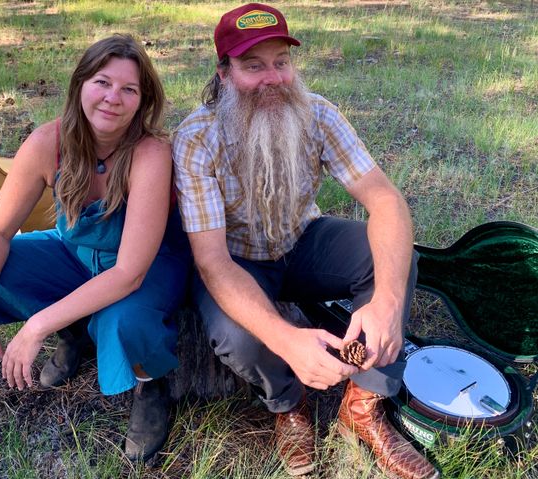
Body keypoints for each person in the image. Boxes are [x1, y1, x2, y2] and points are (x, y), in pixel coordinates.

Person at [172, 4, 439, 479]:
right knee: (238, 337)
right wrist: (287, 341)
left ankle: (363, 407)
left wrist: (387, 301)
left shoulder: (317, 113)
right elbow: (212, 262)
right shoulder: (197, 138)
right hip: (237, 260)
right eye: (253, 66)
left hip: (302, 240)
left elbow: (385, 200)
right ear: (224, 72)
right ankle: (287, 403)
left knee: (395, 262)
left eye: (281, 62)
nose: (272, 78)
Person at [0, 34, 191, 462]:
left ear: (142, 101)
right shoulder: (47, 142)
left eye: (129, 89)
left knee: (125, 320)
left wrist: (35, 326)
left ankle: (150, 384)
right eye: (102, 82)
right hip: (76, 254)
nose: (113, 97)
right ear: (79, 85)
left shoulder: (150, 153)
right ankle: (73, 330)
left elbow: (128, 273)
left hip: (145, 266)